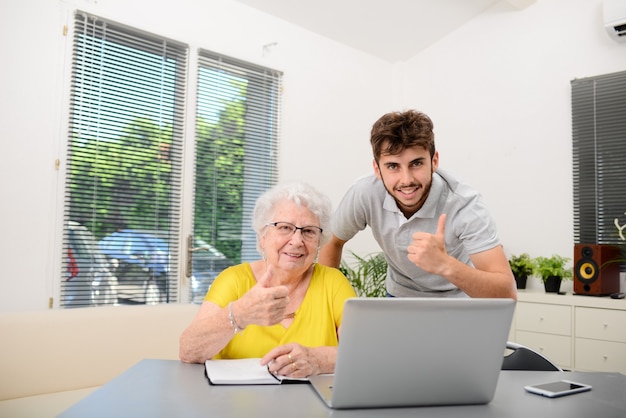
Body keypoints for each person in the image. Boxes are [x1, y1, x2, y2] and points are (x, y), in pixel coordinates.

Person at [319, 110, 517, 300]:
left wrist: (445, 265)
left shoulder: (465, 204)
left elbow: (507, 293)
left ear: (434, 161)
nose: (406, 180)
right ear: (377, 170)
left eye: (416, 164)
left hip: (459, 298)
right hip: (399, 295)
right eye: (393, 166)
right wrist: (326, 305)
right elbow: (333, 241)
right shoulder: (365, 192)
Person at [179, 182, 357, 378]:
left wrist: (317, 359)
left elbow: (364, 352)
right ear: (263, 236)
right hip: (234, 404)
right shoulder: (234, 280)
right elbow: (189, 351)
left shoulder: (332, 282)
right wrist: (239, 314)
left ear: (319, 241)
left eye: (308, 231)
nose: (297, 241)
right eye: (285, 227)